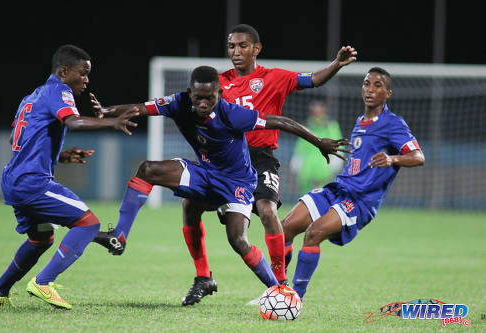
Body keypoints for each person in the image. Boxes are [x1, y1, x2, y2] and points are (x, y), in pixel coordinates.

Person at [91, 66, 350, 305]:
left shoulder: (232, 114)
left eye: (210, 98)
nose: (203, 103)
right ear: (190, 92)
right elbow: (140, 108)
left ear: (219, 93)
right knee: (150, 171)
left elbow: (280, 121)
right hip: (205, 173)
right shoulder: (178, 103)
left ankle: (280, 290)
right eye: (198, 97)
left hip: (237, 182)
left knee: (238, 240)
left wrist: (318, 142)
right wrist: (107, 111)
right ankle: (121, 238)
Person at [0, 44, 139, 309]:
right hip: (32, 182)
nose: (86, 80)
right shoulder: (60, 90)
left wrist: (59, 155)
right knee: (88, 223)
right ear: (64, 71)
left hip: (13, 179)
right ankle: (43, 282)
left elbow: (16, 139)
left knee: (40, 238)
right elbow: (74, 122)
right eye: (83, 73)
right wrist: (111, 123)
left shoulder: (32, 96)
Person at [281, 67, 425, 301]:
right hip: (338, 188)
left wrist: (392, 158)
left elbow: (418, 157)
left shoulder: (393, 124)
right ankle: (278, 287)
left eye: (377, 85)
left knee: (313, 234)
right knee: (285, 227)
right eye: (367, 83)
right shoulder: (360, 121)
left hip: (360, 201)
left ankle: (295, 298)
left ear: (388, 93)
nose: (370, 89)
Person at [290, 100, 344, 194]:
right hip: (307, 169)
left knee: (323, 195)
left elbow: (337, 143)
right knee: (305, 196)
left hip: (325, 168)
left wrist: (337, 158)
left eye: (319, 109)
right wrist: (297, 159)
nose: (317, 111)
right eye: (315, 109)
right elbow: (301, 146)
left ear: (324, 110)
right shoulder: (306, 126)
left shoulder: (331, 126)